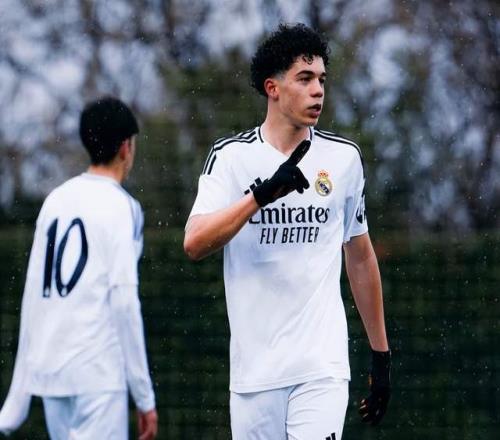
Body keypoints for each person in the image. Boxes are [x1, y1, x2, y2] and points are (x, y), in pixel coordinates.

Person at [184, 23, 391, 439]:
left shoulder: (344, 159)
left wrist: (381, 355)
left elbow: (360, 257)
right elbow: (194, 242)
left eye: (322, 80)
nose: (318, 91)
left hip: (320, 368)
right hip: (254, 376)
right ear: (273, 88)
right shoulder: (230, 157)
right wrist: (259, 197)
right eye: (305, 78)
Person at [0, 97, 158, 439]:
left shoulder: (55, 200)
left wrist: (19, 393)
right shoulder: (123, 206)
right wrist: (144, 396)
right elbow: (124, 301)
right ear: (126, 148)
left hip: (52, 372)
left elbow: (34, 294)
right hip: (97, 374)